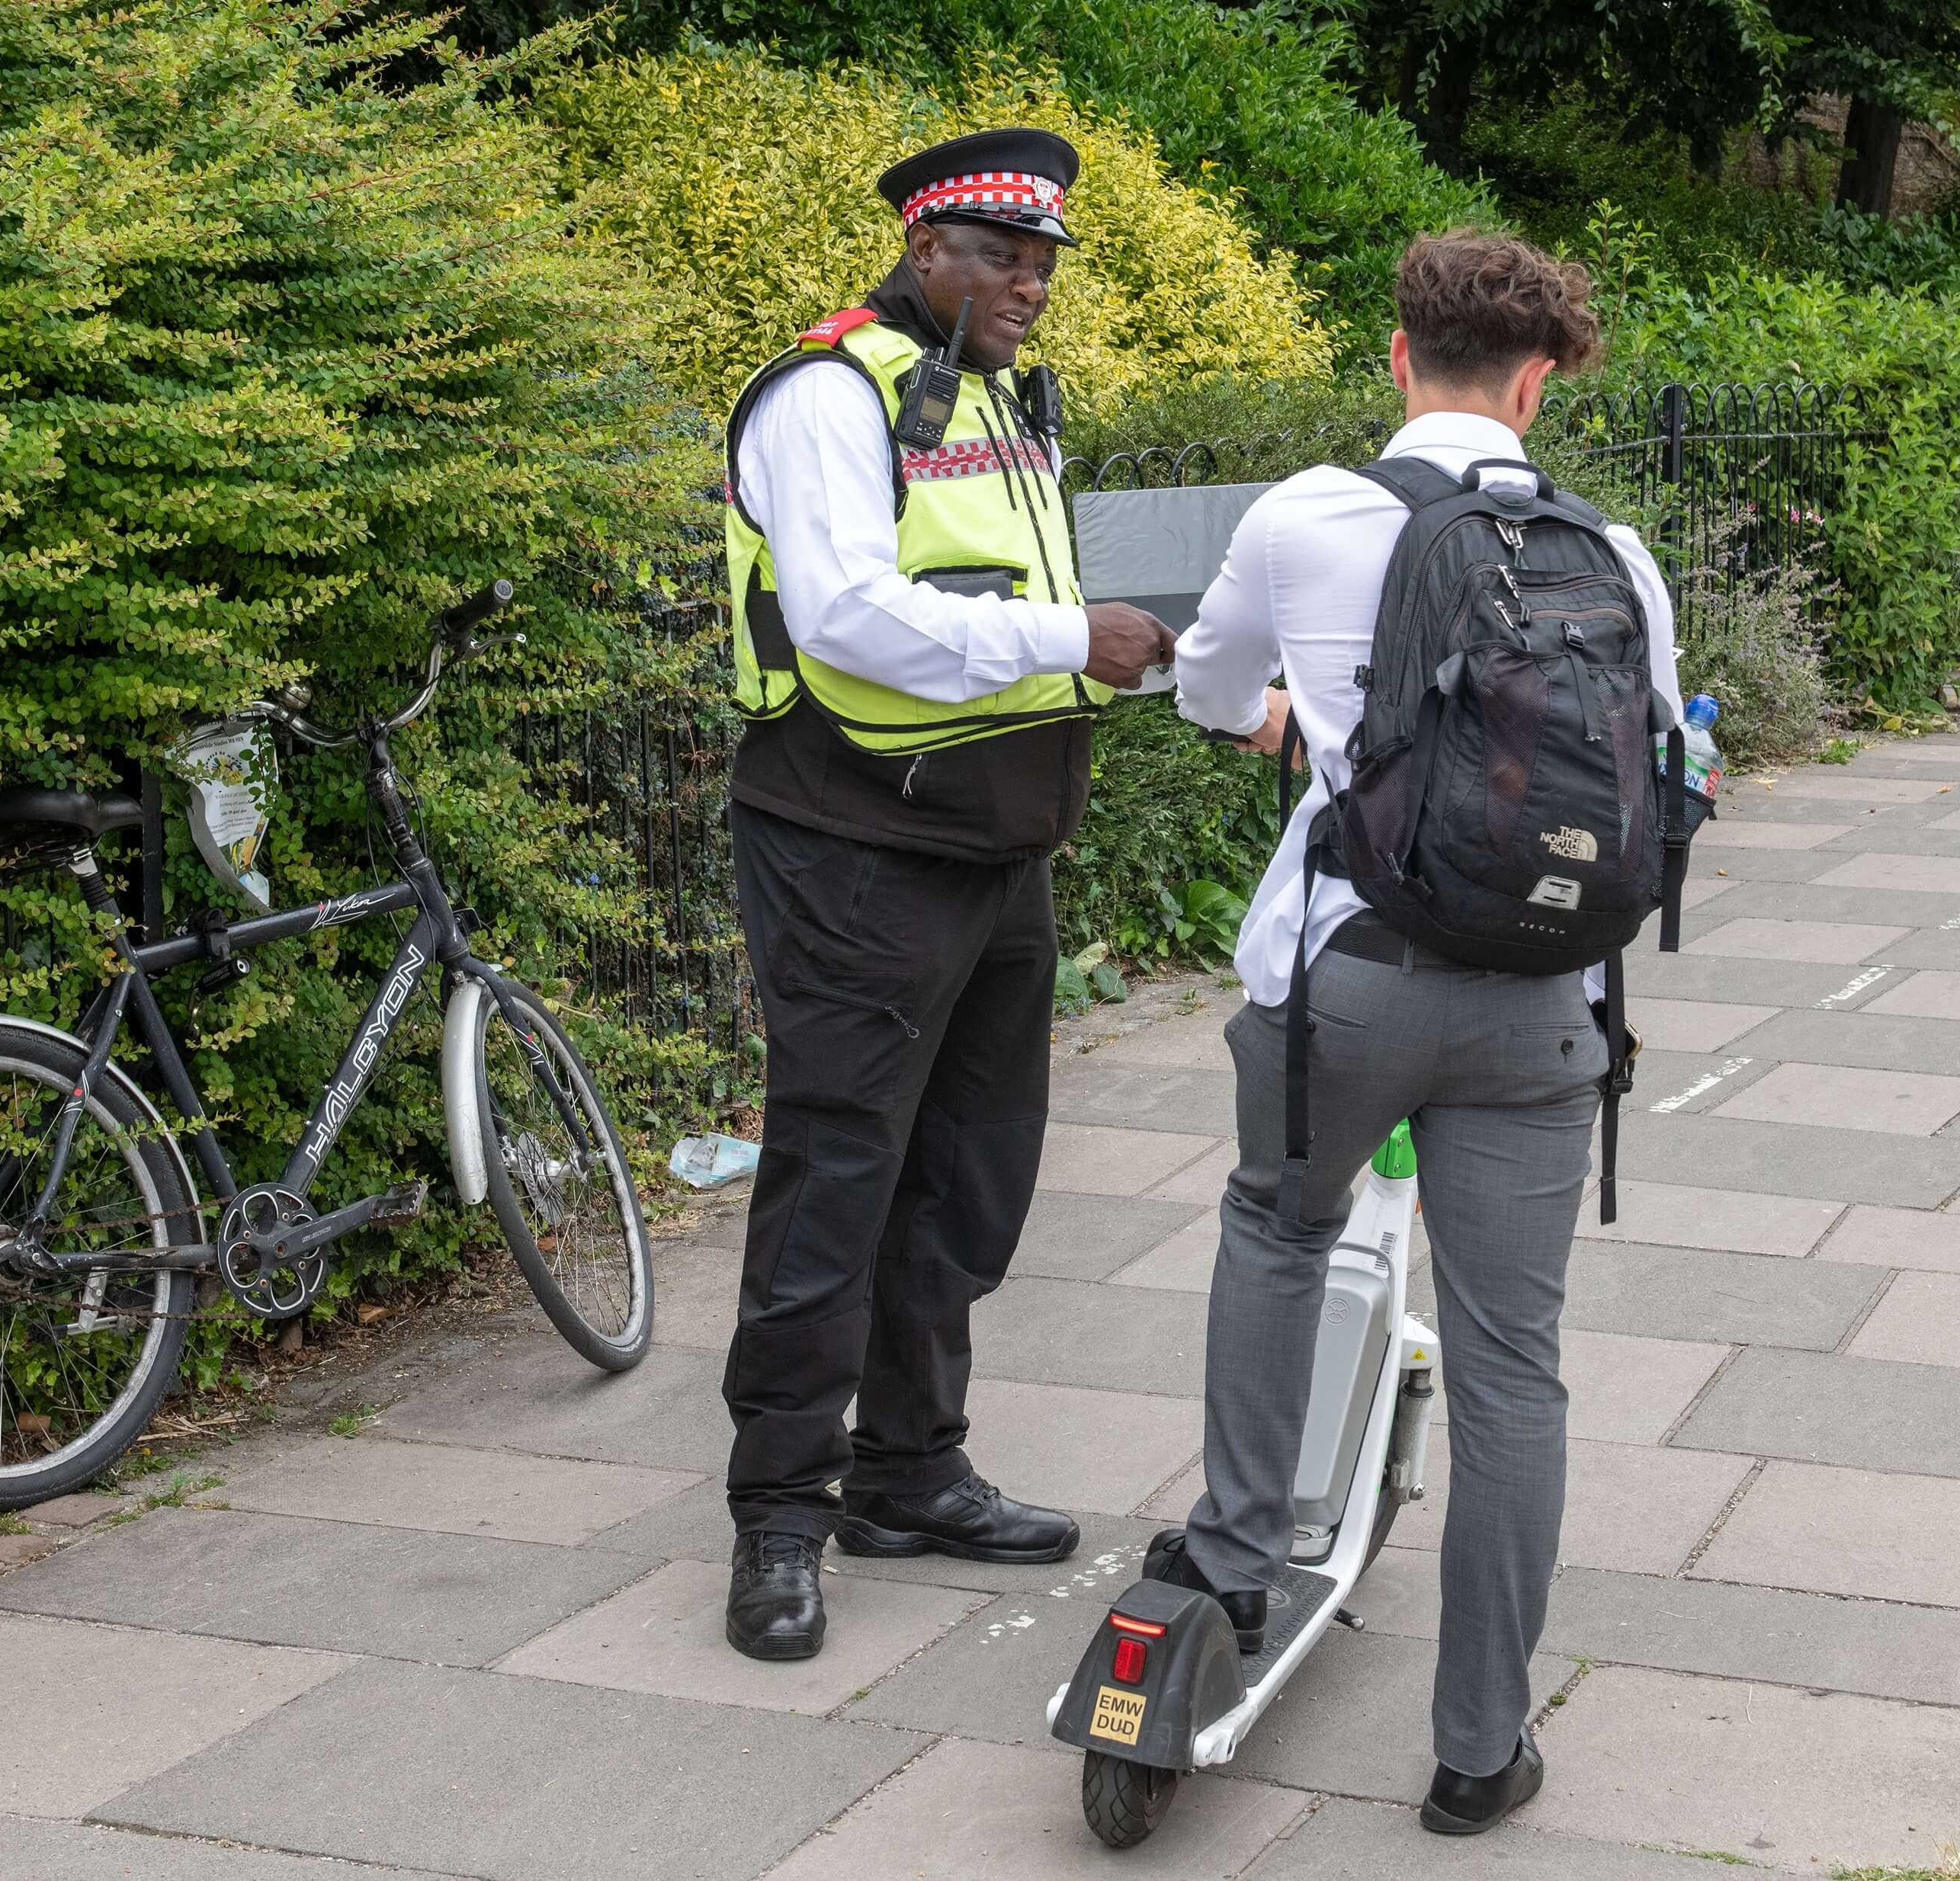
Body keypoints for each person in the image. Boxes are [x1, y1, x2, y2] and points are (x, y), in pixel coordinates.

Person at [1160, 231, 1682, 1831]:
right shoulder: (1614, 551)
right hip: (1539, 1008)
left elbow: (1202, 692)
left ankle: (1238, 1567)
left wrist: (1285, 721)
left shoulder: (1304, 515)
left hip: (1346, 990)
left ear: (1394, 359)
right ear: (1535, 382)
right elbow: (1654, 757)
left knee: (1276, 1225)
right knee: (1513, 1363)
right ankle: (1477, 1745)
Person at [717, 128, 1177, 1661]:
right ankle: (781, 1514)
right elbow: (845, 616)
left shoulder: (994, 395)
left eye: (1043, 262)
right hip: (851, 842)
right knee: (835, 1177)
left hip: (992, 846)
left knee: (968, 1177)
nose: (1027, 285)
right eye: (998, 255)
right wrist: (1067, 641)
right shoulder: (826, 395)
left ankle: (908, 1472)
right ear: (926, 249)